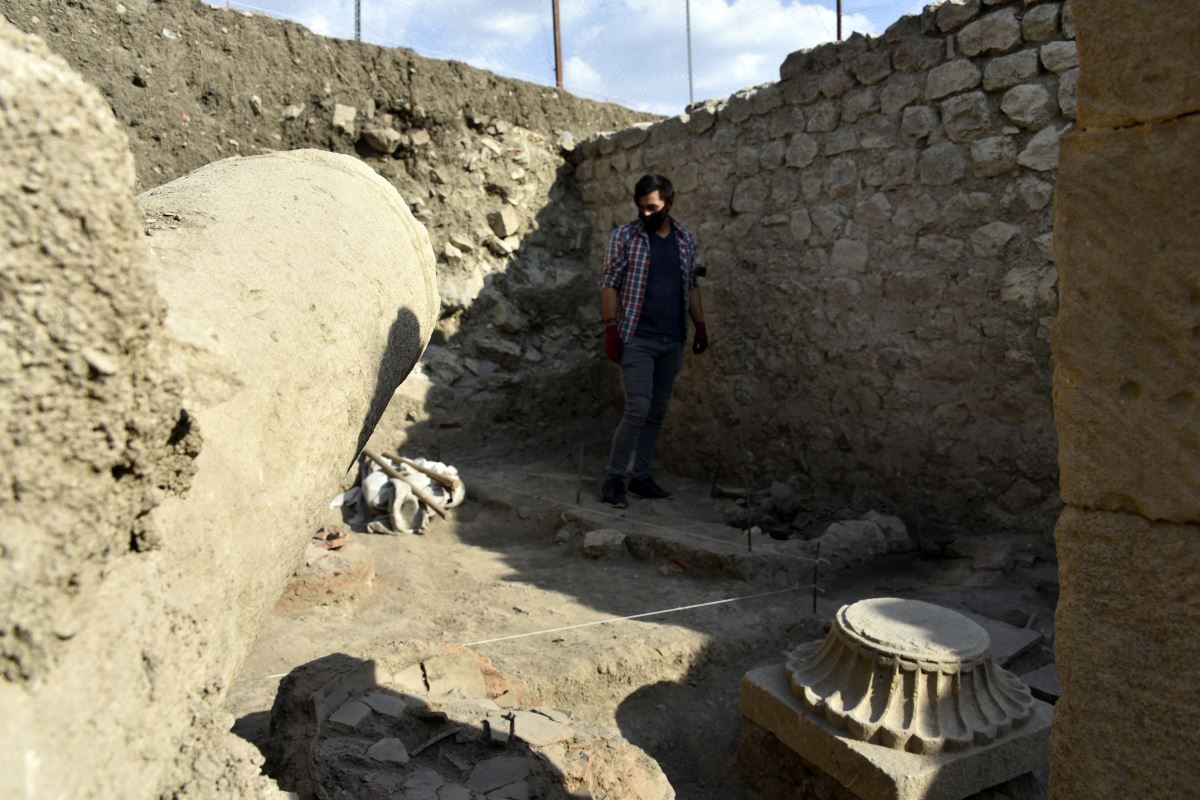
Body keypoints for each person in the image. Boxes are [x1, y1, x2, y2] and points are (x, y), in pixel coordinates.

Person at [597, 173, 708, 508]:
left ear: (669, 204)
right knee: (638, 409)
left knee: (657, 410)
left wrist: (700, 325)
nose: (645, 214)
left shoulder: (685, 239)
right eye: (640, 207)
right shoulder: (625, 237)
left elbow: (690, 285)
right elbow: (608, 282)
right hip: (637, 337)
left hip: (672, 338)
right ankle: (614, 478)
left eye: (652, 208)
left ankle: (641, 477)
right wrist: (611, 327)